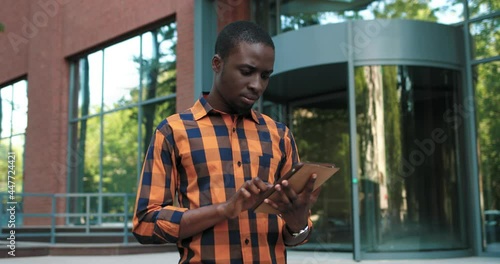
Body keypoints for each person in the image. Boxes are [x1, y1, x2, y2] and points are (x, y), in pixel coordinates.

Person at [132, 20, 320, 263]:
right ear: (217, 64)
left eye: (265, 76)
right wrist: (223, 210)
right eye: (246, 72)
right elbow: (145, 224)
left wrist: (298, 222)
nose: (257, 85)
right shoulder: (172, 131)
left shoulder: (279, 135)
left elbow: (294, 236)